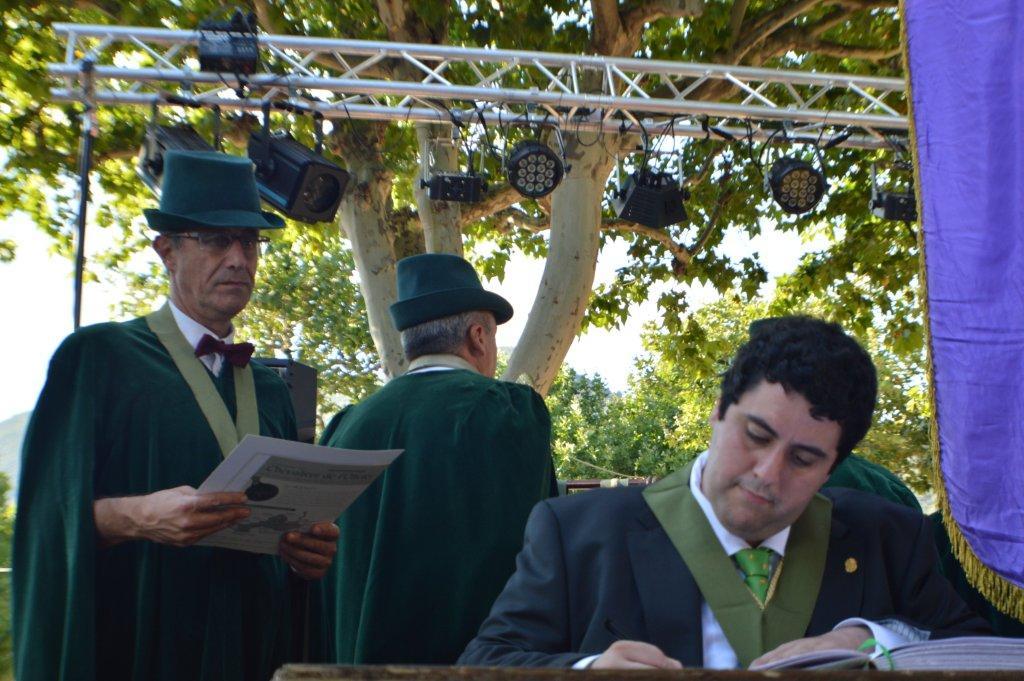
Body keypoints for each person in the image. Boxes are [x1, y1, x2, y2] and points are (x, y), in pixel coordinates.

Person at [459, 316, 988, 670]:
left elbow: (977, 650)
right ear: (717, 411)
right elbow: (485, 661)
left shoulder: (886, 537)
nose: (768, 473)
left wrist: (874, 642)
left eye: (804, 460)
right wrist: (588, 669)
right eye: (755, 435)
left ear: (833, 468)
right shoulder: (575, 531)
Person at [13, 151, 339, 681]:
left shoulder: (270, 389)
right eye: (215, 240)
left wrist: (308, 553)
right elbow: (46, 520)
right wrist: (139, 517)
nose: (238, 259)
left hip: (251, 652)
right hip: (137, 649)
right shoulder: (97, 359)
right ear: (166, 251)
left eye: (250, 242)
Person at [320, 253, 558, 664]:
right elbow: (542, 550)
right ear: (478, 336)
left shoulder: (346, 425)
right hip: (475, 667)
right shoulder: (507, 412)